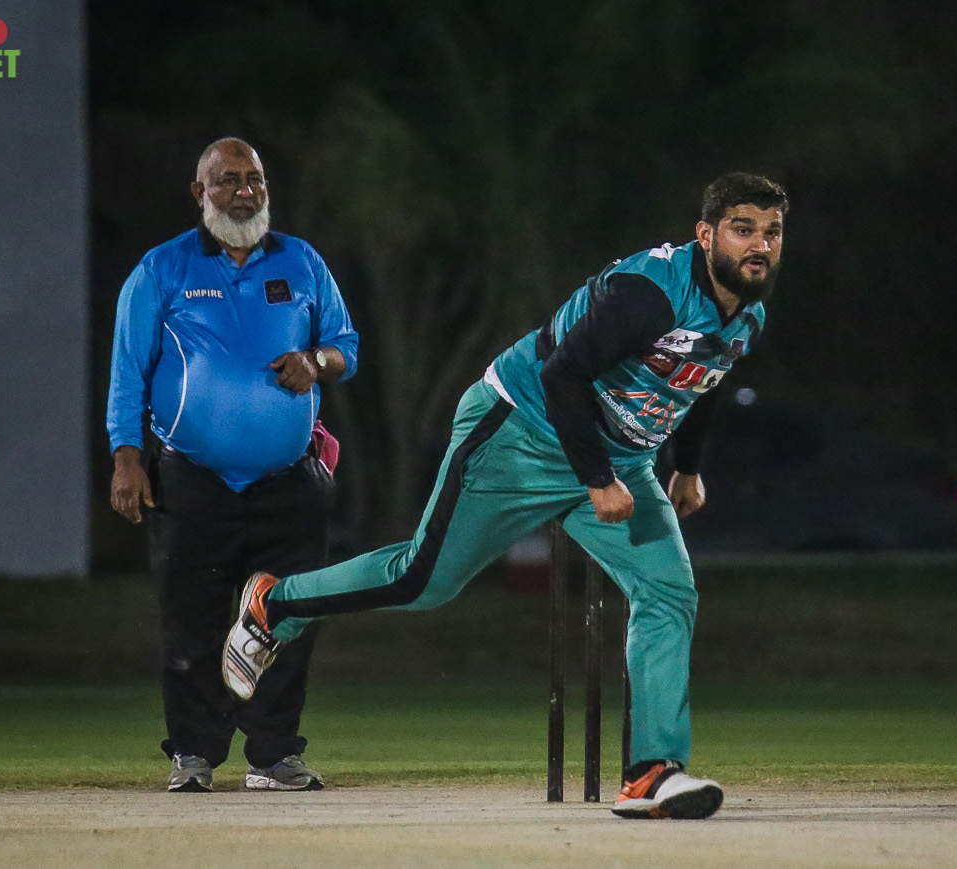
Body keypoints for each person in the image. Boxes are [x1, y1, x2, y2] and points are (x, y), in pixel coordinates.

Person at [220, 172, 786, 819]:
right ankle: (274, 603)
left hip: (619, 455)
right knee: (422, 580)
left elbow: (703, 379)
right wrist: (597, 478)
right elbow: (562, 374)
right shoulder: (650, 293)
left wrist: (686, 468)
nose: (760, 245)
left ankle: (651, 773)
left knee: (668, 591)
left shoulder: (749, 314)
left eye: (772, 233)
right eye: (744, 229)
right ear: (706, 235)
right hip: (521, 430)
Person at [107, 137, 359, 793]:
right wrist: (127, 459)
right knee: (191, 619)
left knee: (288, 617)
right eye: (227, 180)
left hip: (289, 480)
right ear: (201, 193)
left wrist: (315, 362)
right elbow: (128, 373)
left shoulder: (301, 261)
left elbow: (345, 347)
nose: (244, 191)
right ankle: (193, 754)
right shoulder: (162, 268)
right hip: (193, 479)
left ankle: (274, 756)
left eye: (255, 179)